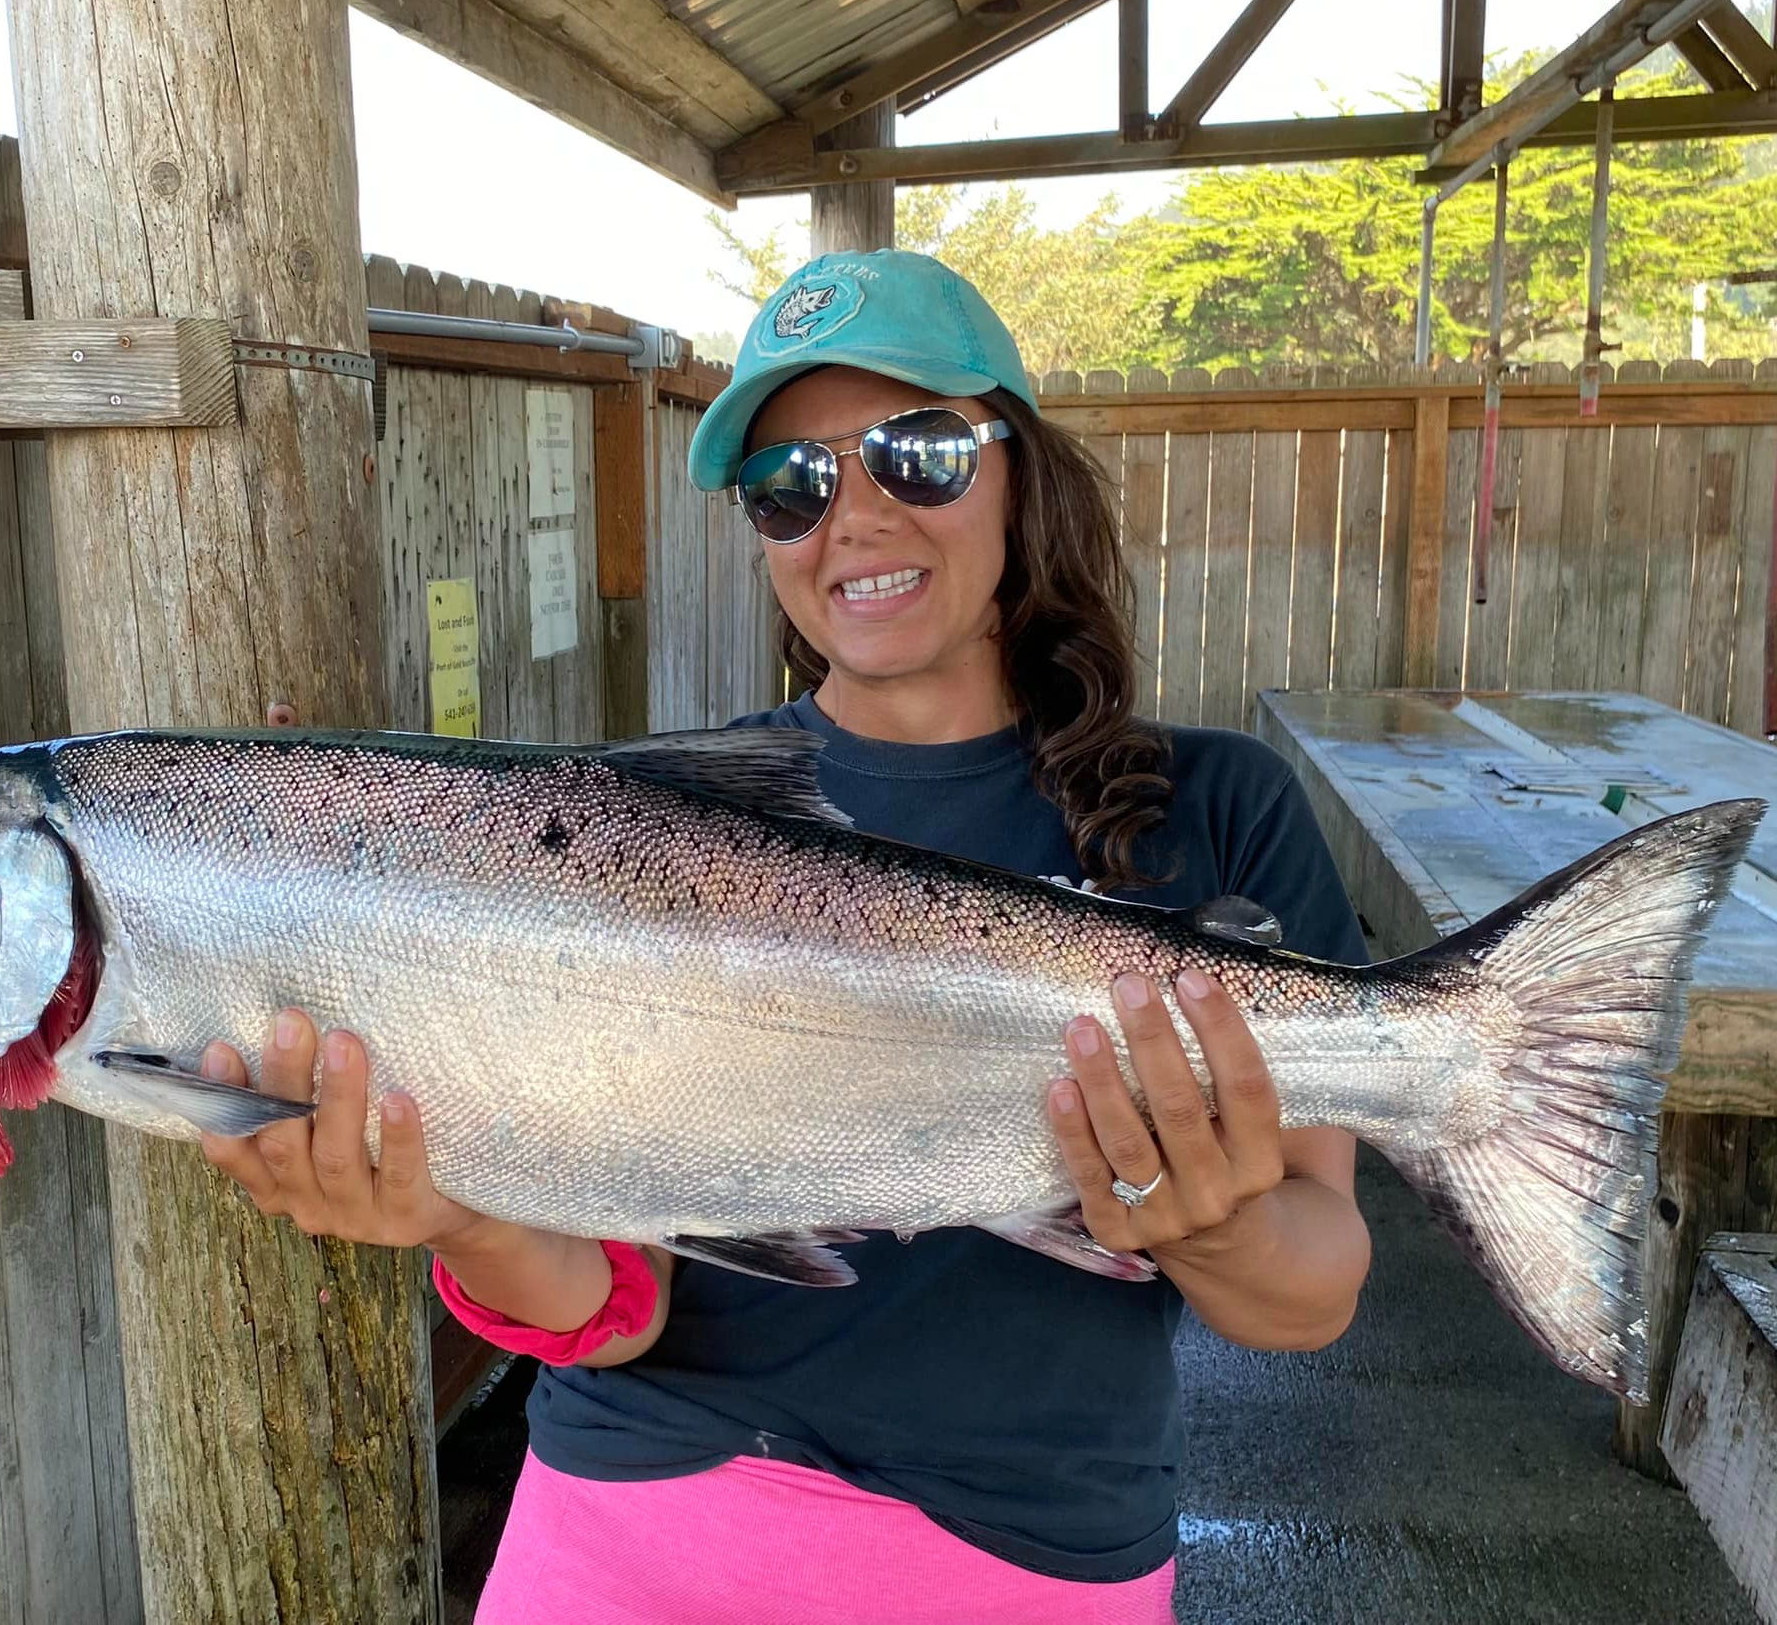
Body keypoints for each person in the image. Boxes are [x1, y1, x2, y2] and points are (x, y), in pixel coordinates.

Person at [199, 249, 1374, 1623]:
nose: (853, 518)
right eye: (790, 484)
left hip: (1022, 1557)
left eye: (919, 453)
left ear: (1023, 475)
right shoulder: (649, 823)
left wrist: (1212, 1225)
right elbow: (617, 1305)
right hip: (622, 1531)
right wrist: (459, 1214)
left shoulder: (1219, 807)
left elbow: (1308, 1293)